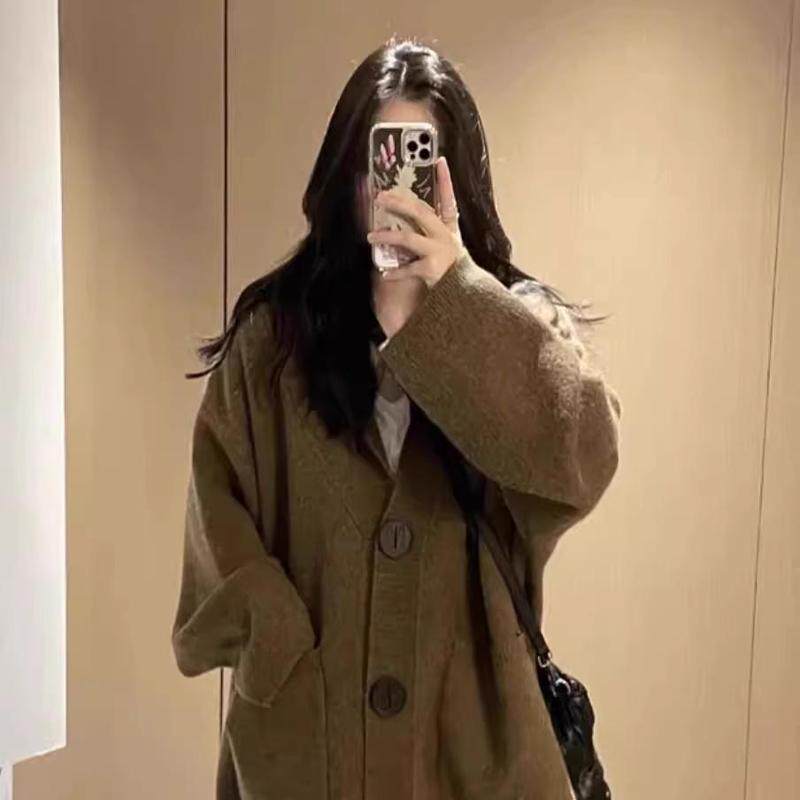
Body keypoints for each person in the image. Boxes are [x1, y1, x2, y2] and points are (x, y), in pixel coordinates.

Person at [171, 35, 622, 800]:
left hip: (475, 758)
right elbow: (217, 510)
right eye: (378, 163)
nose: (394, 193)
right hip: (309, 754)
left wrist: (453, 304)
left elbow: (583, 459)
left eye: (421, 164)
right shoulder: (275, 343)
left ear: (457, 183)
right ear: (345, 176)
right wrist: (276, 644)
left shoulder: (517, 326)